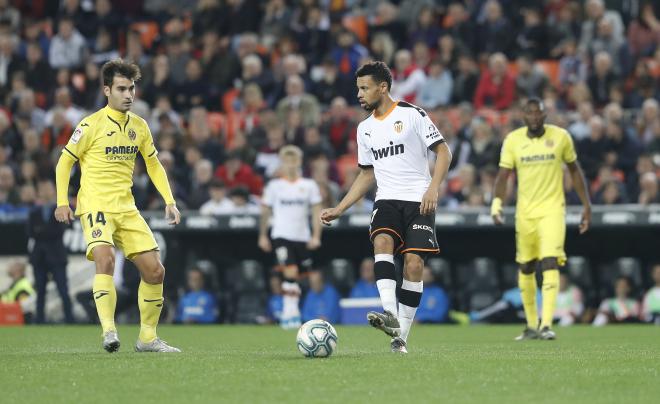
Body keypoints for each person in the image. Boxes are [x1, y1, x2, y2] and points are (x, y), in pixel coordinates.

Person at [320, 61, 452, 353]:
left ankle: (400, 337)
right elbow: (367, 174)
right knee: (382, 240)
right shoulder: (364, 129)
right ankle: (390, 313)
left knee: (414, 265)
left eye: (364, 88)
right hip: (387, 199)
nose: (359, 94)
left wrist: (434, 187)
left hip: (419, 198)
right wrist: (340, 207)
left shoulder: (412, 114)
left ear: (383, 87)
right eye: (358, 88)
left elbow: (444, 151)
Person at [54, 59, 182, 353]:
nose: (129, 95)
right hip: (95, 205)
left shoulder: (139, 126)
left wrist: (169, 201)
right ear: (107, 90)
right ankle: (109, 331)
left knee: (155, 271)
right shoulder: (89, 125)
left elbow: (153, 164)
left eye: (132, 88)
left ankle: (148, 338)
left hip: (127, 208)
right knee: (106, 259)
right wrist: (63, 201)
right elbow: (65, 162)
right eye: (122, 89)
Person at [491, 98, 592, 341]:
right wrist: (497, 204)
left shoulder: (561, 137)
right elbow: (503, 176)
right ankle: (530, 325)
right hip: (525, 214)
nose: (534, 117)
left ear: (545, 115)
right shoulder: (513, 140)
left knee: (550, 262)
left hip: (553, 211)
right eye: (530, 113)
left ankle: (546, 324)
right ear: (523, 116)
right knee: (526, 266)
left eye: (538, 113)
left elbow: (574, 170)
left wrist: (586, 204)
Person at [258, 145, 323, 329]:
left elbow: (316, 211)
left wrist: (316, 236)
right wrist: (263, 236)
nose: (290, 164)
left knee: (299, 277)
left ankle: (292, 311)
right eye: (287, 160)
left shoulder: (308, 186)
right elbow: (265, 211)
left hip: (302, 236)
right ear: (282, 163)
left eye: (294, 160)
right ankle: (289, 313)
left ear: (299, 162)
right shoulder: (274, 186)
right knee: (290, 271)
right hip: (281, 234)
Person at [28, 179, 74, 323]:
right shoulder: (33, 212)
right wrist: (45, 231)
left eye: (48, 188)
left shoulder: (61, 209)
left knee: (63, 290)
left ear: (54, 190)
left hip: (57, 256)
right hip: (39, 257)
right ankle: (39, 320)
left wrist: (40, 231)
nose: (45, 191)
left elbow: (60, 230)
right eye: (42, 189)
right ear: (39, 192)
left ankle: (70, 320)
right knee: (40, 291)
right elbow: (29, 232)